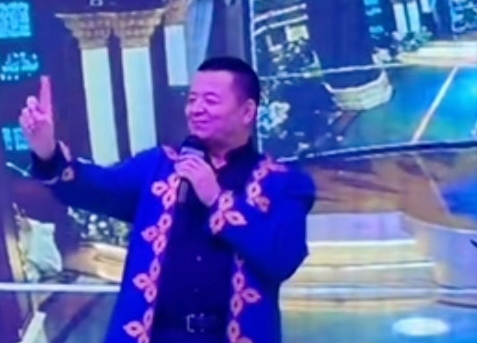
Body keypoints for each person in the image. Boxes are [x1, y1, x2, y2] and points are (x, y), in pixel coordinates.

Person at [22, 56, 315, 343]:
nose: (196, 109)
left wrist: (217, 200)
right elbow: (96, 188)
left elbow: (283, 257)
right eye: (192, 99)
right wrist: (47, 152)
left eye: (210, 100)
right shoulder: (159, 166)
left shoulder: (284, 184)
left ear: (247, 111)